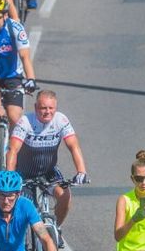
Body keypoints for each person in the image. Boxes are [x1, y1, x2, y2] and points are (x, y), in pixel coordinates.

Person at [6, 90, 89, 225]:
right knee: (22, 210)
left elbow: (73, 146)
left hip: (48, 171)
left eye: (51, 108)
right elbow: (13, 150)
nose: (47, 112)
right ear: (35, 107)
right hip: (24, 173)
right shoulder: (25, 121)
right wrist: (10, 175)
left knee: (65, 196)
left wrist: (81, 171)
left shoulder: (60, 120)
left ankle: (56, 229)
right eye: (43, 108)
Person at [0, 0, 37, 127]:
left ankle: (15, 147)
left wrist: (31, 79)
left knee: (14, 118)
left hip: (12, 77)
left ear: (5, 15)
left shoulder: (16, 28)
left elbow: (25, 57)